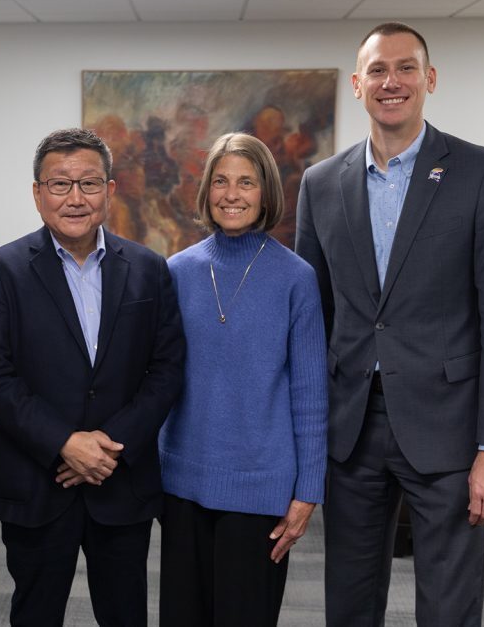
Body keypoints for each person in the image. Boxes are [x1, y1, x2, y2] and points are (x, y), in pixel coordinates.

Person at [295, 22, 484, 625]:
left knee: (448, 607)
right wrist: (307, 436)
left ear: (429, 79)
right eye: (377, 69)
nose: (391, 81)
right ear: (357, 84)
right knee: (348, 601)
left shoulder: (483, 173)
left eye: (405, 68)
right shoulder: (321, 184)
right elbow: (312, 317)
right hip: (351, 430)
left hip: (449, 429)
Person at [0, 128, 186, 627]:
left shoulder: (149, 269)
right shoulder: (3, 269)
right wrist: (64, 442)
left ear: (109, 191)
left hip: (120, 480)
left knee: (126, 612)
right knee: (35, 613)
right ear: (37, 193)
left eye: (88, 184)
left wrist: (108, 445)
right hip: (37, 481)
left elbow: (166, 369)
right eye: (60, 184)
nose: (75, 198)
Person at [158, 132, 327, 626]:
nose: (232, 194)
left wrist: (308, 491)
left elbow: (310, 395)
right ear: (207, 191)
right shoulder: (177, 271)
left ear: (265, 191)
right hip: (182, 484)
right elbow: (158, 381)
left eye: (246, 182)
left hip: (260, 491)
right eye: (221, 181)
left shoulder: (296, 278)